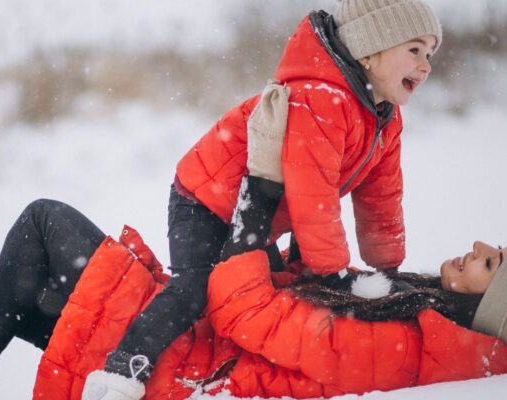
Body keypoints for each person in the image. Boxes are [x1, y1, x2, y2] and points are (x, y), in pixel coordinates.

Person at [0, 194, 507, 399]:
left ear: (496, 306)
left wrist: (246, 231)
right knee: (22, 282)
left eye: (491, 263)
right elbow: (294, 310)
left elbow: (255, 319)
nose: (473, 251)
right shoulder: (415, 314)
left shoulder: (412, 346)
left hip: (182, 362)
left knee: (43, 228)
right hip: (188, 342)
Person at [88, 0, 445, 394]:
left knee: (265, 296)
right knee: (195, 293)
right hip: (205, 200)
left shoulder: (384, 118)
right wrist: (334, 274)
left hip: (258, 213)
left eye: (430, 53)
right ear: (369, 49)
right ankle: (122, 370)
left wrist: (388, 270)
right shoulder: (320, 98)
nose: (426, 64)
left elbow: (381, 198)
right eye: (414, 50)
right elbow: (314, 195)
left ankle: (209, 374)